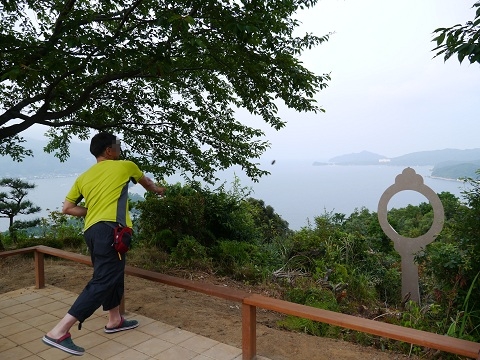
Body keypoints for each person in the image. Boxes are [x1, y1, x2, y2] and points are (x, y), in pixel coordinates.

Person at [42, 132, 166, 356]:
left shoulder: (84, 177)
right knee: (104, 279)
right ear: (109, 151)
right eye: (117, 145)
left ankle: (115, 320)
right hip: (112, 231)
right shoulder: (125, 165)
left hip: (92, 231)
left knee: (113, 274)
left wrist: (95, 211)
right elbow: (148, 184)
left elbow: (68, 208)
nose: (120, 148)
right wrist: (160, 190)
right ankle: (59, 331)